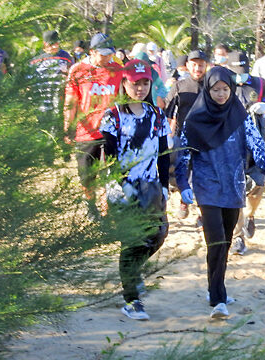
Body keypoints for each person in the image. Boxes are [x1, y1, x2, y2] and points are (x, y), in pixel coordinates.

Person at [175, 66, 265, 318]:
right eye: (216, 90)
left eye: (226, 89)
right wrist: (182, 185)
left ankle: (215, 287)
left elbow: (256, 145)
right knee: (214, 242)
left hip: (234, 188)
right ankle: (218, 297)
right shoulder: (194, 119)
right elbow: (182, 155)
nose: (222, 94)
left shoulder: (241, 116)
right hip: (207, 187)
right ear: (208, 89)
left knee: (224, 242)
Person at [99, 59, 170, 321]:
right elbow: (108, 152)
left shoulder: (157, 115)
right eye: (134, 83)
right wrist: (115, 185)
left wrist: (164, 186)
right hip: (124, 187)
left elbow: (164, 153)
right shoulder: (113, 115)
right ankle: (132, 300)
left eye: (144, 83)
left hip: (151, 187)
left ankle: (133, 273)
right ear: (124, 83)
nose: (139, 88)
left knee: (158, 234)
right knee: (131, 242)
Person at [226, 50, 265, 255]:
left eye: (243, 70)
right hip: (231, 143)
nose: (240, 75)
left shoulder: (260, 83)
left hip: (256, 143)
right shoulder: (222, 85)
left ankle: (250, 216)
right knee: (236, 188)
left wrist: (264, 108)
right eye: (236, 71)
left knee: (258, 186)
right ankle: (237, 237)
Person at [64, 32, 123, 200]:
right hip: (86, 133)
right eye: (103, 54)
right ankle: (91, 205)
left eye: (110, 54)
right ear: (92, 52)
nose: (107, 58)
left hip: (109, 131)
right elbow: (70, 101)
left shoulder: (117, 69)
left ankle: (107, 208)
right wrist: (67, 128)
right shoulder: (78, 70)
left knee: (110, 173)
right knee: (87, 176)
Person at [165, 50, 208, 219]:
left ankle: (202, 210)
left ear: (206, 66)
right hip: (182, 137)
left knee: (203, 175)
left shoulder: (212, 86)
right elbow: (168, 112)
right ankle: (184, 201)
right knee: (181, 172)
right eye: (194, 65)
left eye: (201, 65)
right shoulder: (179, 86)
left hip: (206, 138)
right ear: (188, 66)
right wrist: (168, 136)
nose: (198, 68)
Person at [29, 30, 74, 115]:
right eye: (51, 44)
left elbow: (72, 72)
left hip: (60, 99)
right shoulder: (36, 59)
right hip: (42, 99)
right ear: (45, 44)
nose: (54, 46)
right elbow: (30, 80)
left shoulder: (65, 56)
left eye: (56, 43)